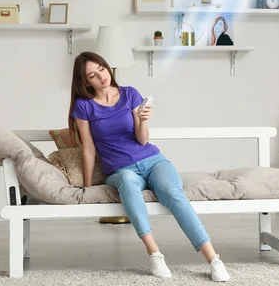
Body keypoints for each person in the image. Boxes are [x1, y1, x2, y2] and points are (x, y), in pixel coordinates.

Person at [68, 51, 230, 282]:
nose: (101, 77)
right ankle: (155, 253)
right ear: (86, 82)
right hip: (120, 170)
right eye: (92, 75)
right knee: (127, 183)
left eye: (102, 69)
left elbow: (142, 140)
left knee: (172, 193)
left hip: (153, 160)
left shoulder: (130, 94)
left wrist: (142, 120)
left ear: (107, 67)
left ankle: (213, 259)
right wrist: (86, 186)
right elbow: (88, 148)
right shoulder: (84, 107)